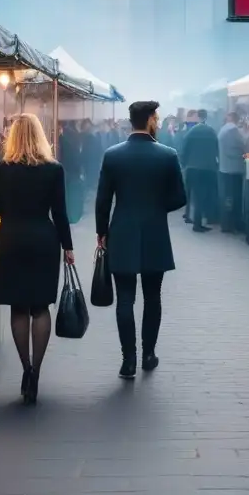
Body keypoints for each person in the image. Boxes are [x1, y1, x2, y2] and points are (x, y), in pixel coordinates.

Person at [96, 101, 187, 379]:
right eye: (156, 117)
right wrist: (157, 208)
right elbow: (180, 198)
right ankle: (149, 354)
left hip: (121, 231)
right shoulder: (168, 155)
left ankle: (128, 361)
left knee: (125, 299)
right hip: (155, 232)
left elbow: (103, 200)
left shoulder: (112, 155)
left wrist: (102, 232)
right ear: (149, 120)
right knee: (152, 297)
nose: (157, 121)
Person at [0, 114, 74, 405]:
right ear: (40, 135)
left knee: (18, 308)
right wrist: (69, 247)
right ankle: (36, 371)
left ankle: (25, 369)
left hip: (11, 239)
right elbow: (60, 213)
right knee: (40, 307)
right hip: (43, 240)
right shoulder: (54, 169)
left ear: (11, 137)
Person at [180, 108, 219, 233]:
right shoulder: (211, 132)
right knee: (203, 196)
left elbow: (183, 149)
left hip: (192, 168)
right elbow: (216, 150)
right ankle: (199, 223)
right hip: (207, 168)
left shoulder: (191, 132)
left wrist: (185, 164)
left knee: (193, 195)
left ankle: (193, 219)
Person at [218, 112, 246, 232]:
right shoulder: (232, 131)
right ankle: (232, 224)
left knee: (227, 197)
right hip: (233, 169)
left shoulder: (223, 129)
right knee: (234, 198)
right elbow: (236, 148)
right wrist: (243, 154)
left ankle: (226, 223)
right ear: (237, 119)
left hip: (225, 168)